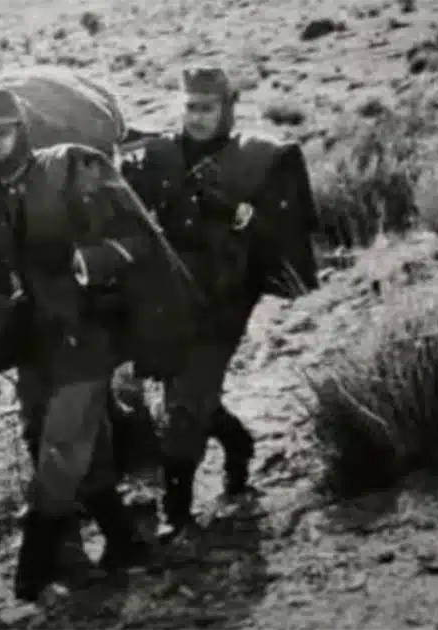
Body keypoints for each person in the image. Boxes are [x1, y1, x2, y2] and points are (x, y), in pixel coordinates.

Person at [0, 88, 154, 605]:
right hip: (33, 343)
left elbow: (137, 239)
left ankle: (33, 564)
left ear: (21, 129)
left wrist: (87, 263)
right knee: (59, 436)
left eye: (3, 131)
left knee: (64, 445)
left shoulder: (65, 169)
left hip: (85, 333)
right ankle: (124, 540)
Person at [119, 65, 320, 542]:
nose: (198, 117)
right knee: (180, 389)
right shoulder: (158, 156)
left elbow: (282, 234)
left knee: (185, 403)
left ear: (228, 106)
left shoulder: (260, 160)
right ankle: (238, 442)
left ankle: (178, 509)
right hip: (171, 299)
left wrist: (235, 214)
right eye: (190, 106)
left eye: (208, 107)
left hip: (226, 299)